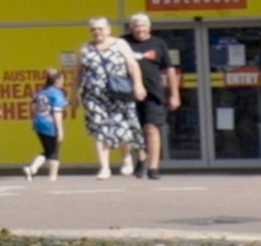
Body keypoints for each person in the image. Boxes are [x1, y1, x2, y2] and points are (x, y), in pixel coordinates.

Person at [77, 15, 145, 178]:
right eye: (93, 29)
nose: (97, 32)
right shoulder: (85, 48)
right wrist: (73, 95)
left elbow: (132, 64)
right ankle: (104, 167)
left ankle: (126, 158)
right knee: (99, 129)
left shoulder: (120, 44)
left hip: (119, 92)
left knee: (122, 126)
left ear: (108, 29)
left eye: (100, 29)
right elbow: (77, 73)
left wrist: (138, 84)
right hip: (93, 96)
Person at [125, 12, 182, 180]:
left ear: (149, 27)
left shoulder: (158, 43)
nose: (139, 29)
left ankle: (153, 167)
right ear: (131, 28)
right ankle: (141, 158)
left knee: (151, 128)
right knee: (133, 130)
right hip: (129, 93)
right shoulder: (124, 43)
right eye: (136, 26)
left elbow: (170, 69)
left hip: (153, 93)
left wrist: (174, 94)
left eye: (143, 26)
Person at [23, 67, 68, 182]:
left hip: (38, 122)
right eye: (62, 79)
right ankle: (53, 177)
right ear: (57, 80)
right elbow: (57, 113)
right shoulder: (57, 93)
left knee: (47, 150)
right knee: (53, 151)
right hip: (50, 124)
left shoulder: (40, 92)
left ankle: (32, 168)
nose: (63, 82)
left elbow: (33, 107)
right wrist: (60, 130)